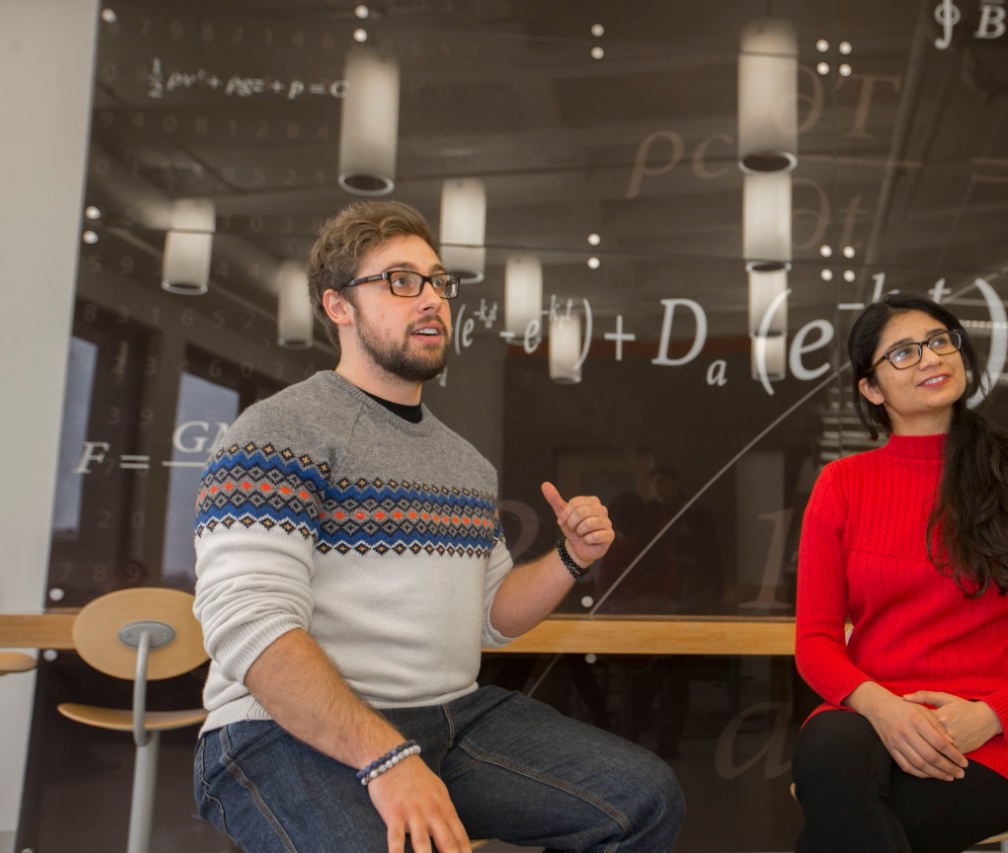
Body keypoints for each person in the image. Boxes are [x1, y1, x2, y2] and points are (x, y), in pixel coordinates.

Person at [190, 200, 684, 853]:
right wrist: (387, 757)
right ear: (339, 306)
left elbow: (491, 617)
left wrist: (570, 557)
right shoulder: (279, 431)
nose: (431, 299)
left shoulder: (465, 463)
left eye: (437, 281)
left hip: (453, 719)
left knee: (643, 800)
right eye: (400, 280)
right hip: (276, 730)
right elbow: (250, 625)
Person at [791, 293, 1008, 853]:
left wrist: (991, 716)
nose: (932, 358)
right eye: (904, 353)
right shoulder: (841, 485)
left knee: (829, 837)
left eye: (939, 341)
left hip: (992, 740)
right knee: (826, 743)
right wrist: (883, 708)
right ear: (871, 389)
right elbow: (815, 641)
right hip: (875, 724)